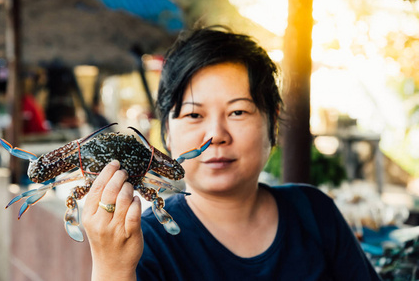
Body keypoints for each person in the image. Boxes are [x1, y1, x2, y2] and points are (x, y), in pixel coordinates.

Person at [82, 26, 381, 280]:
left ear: (272, 123)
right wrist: (111, 267)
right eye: (193, 115)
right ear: (168, 134)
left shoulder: (315, 213)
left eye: (238, 112)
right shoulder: (144, 242)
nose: (216, 137)